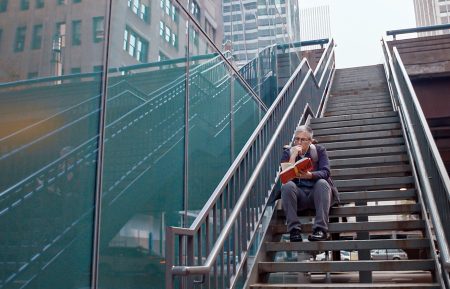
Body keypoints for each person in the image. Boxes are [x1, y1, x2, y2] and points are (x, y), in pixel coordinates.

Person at [280, 125, 339, 242]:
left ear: (310, 141)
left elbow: (326, 172)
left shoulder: (319, 151)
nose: (299, 142)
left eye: (303, 139)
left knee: (322, 183)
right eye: (297, 139)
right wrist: (293, 156)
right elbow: (285, 176)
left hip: (317, 195)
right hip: (299, 196)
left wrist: (310, 175)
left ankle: (320, 230)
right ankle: (294, 231)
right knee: (287, 186)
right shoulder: (288, 152)